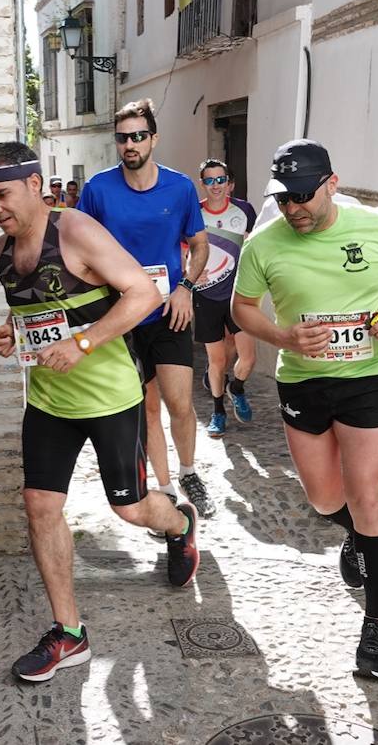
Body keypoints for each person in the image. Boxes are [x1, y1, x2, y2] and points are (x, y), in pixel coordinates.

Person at [0, 141, 201, 683]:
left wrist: (82, 344)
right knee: (39, 504)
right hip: (51, 402)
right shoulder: (1, 252)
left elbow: (143, 294)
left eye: (2, 194)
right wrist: (13, 334)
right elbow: (39, 315)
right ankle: (70, 633)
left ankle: (178, 523)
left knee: (128, 508)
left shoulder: (75, 231)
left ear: (34, 185)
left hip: (109, 399)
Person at [232, 139, 378, 680]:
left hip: (369, 378)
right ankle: (355, 535)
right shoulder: (265, 244)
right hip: (303, 382)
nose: (293, 208)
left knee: (368, 496)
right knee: (325, 498)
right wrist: (284, 336)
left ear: (332, 183)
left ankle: (377, 622)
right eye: (283, 199)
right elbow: (241, 308)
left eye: (302, 195)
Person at [77, 98, 216, 519]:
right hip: (122, 317)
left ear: (153, 139)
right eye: (122, 138)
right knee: (147, 408)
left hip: (169, 313)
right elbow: (80, 247)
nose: (130, 144)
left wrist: (186, 288)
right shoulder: (98, 189)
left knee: (181, 403)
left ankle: (189, 471)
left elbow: (200, 243)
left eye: (138, 136)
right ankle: (167, 487)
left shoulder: (179, 187)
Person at [192, 159, 257, 437]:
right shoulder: (194, 214)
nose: (216, 185)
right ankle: (218, 412)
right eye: (210, 180)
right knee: (216, 362)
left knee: (249, 358)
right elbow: (182, 248)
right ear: (202, 184)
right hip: (206, 297)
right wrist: (190, 273)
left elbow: (257, 246)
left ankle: (237, 388)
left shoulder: (244, 210)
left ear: (229, 182)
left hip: (239, 295)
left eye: (220, 179)